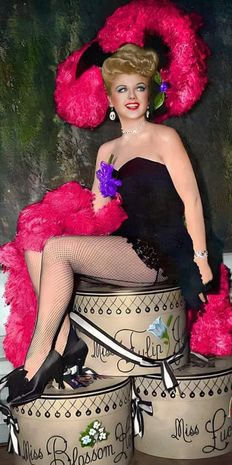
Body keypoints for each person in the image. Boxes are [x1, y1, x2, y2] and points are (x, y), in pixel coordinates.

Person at [3, 44, 213, 406]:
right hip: (125, 243)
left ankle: (38, 357)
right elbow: (100, 212)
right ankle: (63, 339)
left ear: (151, 94)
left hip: (160, 249)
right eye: (122, 89)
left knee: (58, 248)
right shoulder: (108, 152)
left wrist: (201, 258)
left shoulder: (165, 139)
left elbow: (192, 201)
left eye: (139, 87)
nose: (131, 96)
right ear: (110, 99)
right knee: (40, 238)